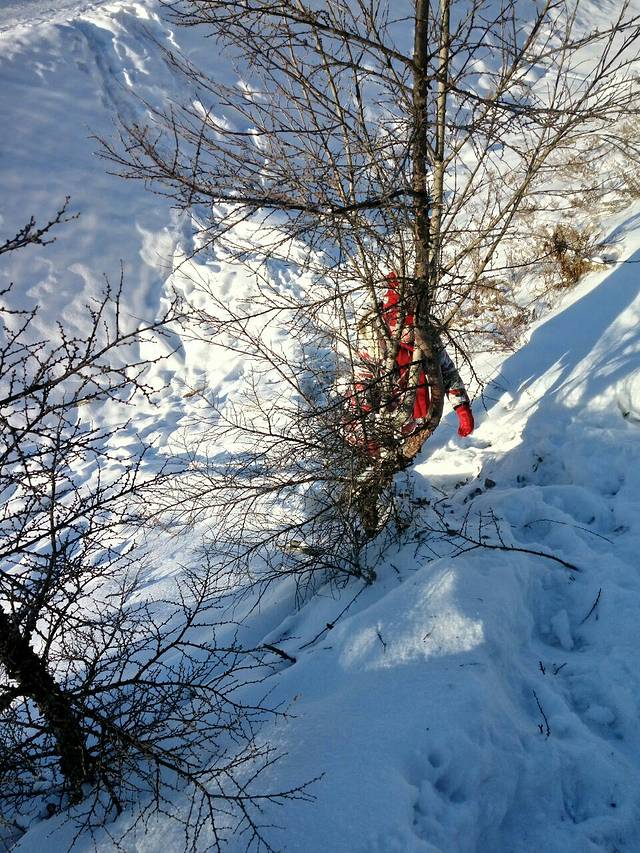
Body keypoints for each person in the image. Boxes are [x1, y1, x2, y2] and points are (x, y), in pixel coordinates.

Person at [347, 271, 474, 455]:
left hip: (418, 412)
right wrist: (366, 436)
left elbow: (447, 371)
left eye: (411, 328)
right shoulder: (373, 338)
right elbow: (360, 389)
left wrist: (462, 408)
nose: (409, 335)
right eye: (403, 329)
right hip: (387, 414)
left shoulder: (425, 331)